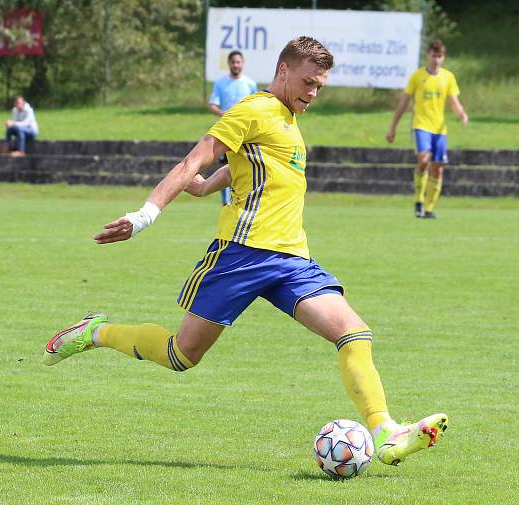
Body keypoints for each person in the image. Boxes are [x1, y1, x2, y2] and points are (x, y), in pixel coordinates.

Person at [43, 36, 448, 467]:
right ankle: (95, 332)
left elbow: (253, 163)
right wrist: (145, 216)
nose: (313, 93)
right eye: (309, 82)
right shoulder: (253, 108)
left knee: (355, 334)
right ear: (283, 70)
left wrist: (208, 185)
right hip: (241, 256)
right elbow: (192, 160)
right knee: (182, 355)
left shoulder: (289, 119)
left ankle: (385, 432)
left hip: (292, 260)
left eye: (320, 87)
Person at [386, 40, 468, 219]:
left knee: (437, 168)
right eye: (433, 55)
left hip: (440, 130)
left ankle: (429, 209)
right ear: (428, 55)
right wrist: (393, 127)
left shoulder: (448, 77)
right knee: (423, 160)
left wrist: (461, 114)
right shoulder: (417, 77)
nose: (436, 60)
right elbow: (403, 103)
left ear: (443, 57)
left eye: (440, 56)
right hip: (421, 126)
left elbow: (454, 102)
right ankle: (418, 201)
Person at [208, 50, 258, 206]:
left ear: (242, 63)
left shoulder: (250, 84)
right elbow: (213, 104)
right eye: (233, 62)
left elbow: (257, 105)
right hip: (227, 131)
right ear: (229, 63)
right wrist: (224, 113)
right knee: (225, 166)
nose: (236, 65)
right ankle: (225, 201)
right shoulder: (220, 83)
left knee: (245, 163)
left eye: (238, 62)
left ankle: (244, 198)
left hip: (245, 133)